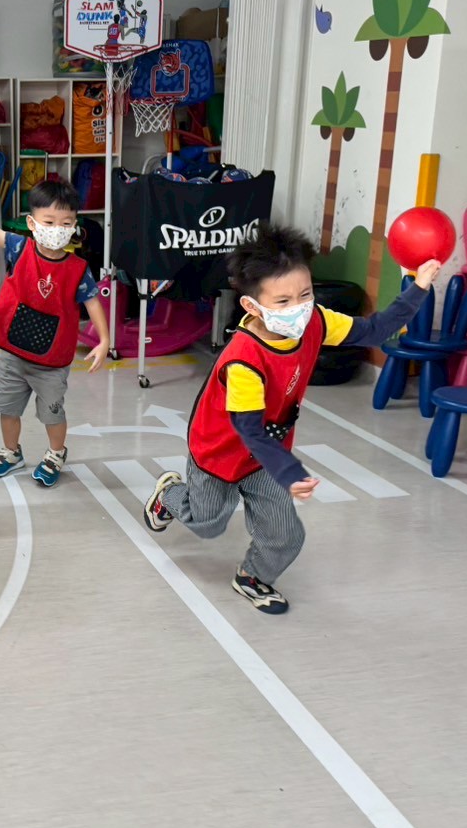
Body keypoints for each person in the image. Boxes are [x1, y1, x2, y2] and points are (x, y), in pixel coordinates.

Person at [143, 224, 441, 615]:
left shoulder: (315, 320)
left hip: (267, 455)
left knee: (285, 534)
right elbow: (249, 429)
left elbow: (373, 331)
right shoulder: (244, 361)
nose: (298, 308)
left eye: (305, 294)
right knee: (207, 523)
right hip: (220, 451)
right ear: (253, 306)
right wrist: (289, 472)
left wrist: (418, 286)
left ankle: (252, 576)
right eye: (282, 301)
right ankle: (170, 495)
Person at [0, 180, 109, 487]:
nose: (57, 229)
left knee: (53, 413)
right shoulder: (19, 248)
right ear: (32, 223)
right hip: (14, 354)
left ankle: (56, 453)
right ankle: (11, 452)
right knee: (7, 409)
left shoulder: (78, 268)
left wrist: (104, 340)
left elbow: (92, 302)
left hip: (52, 362)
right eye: (49, 222)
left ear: (74, 225)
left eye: (66, 223)